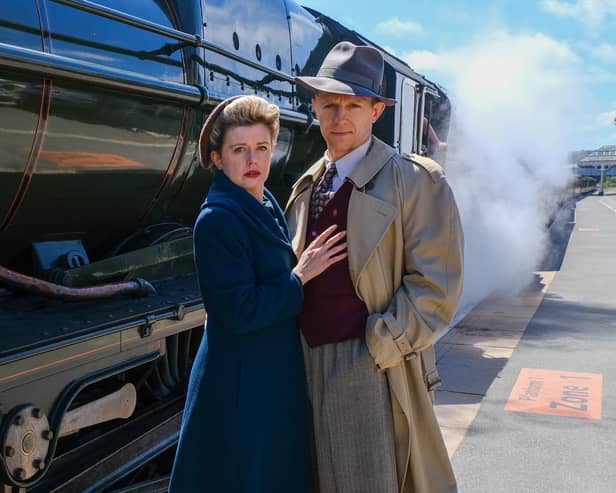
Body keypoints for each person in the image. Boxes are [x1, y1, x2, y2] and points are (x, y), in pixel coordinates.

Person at [286, 42, 464, 493]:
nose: (339, 116)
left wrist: (378, 346)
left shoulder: (416, 180)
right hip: (306, 363)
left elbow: (436, 286)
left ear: (376, 111)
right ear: (314, 107)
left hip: (368, 362)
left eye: (352, 105)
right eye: (329, 104)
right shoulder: (306, 185)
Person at [169, 95, 346, 493]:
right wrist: (299, 278)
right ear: (217, 157)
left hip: (266, 372)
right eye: (239, 150)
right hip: (240, 380)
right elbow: (238, 310)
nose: (253, 160)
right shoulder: (216, 220)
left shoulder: (262, 201)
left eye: (262, 148)